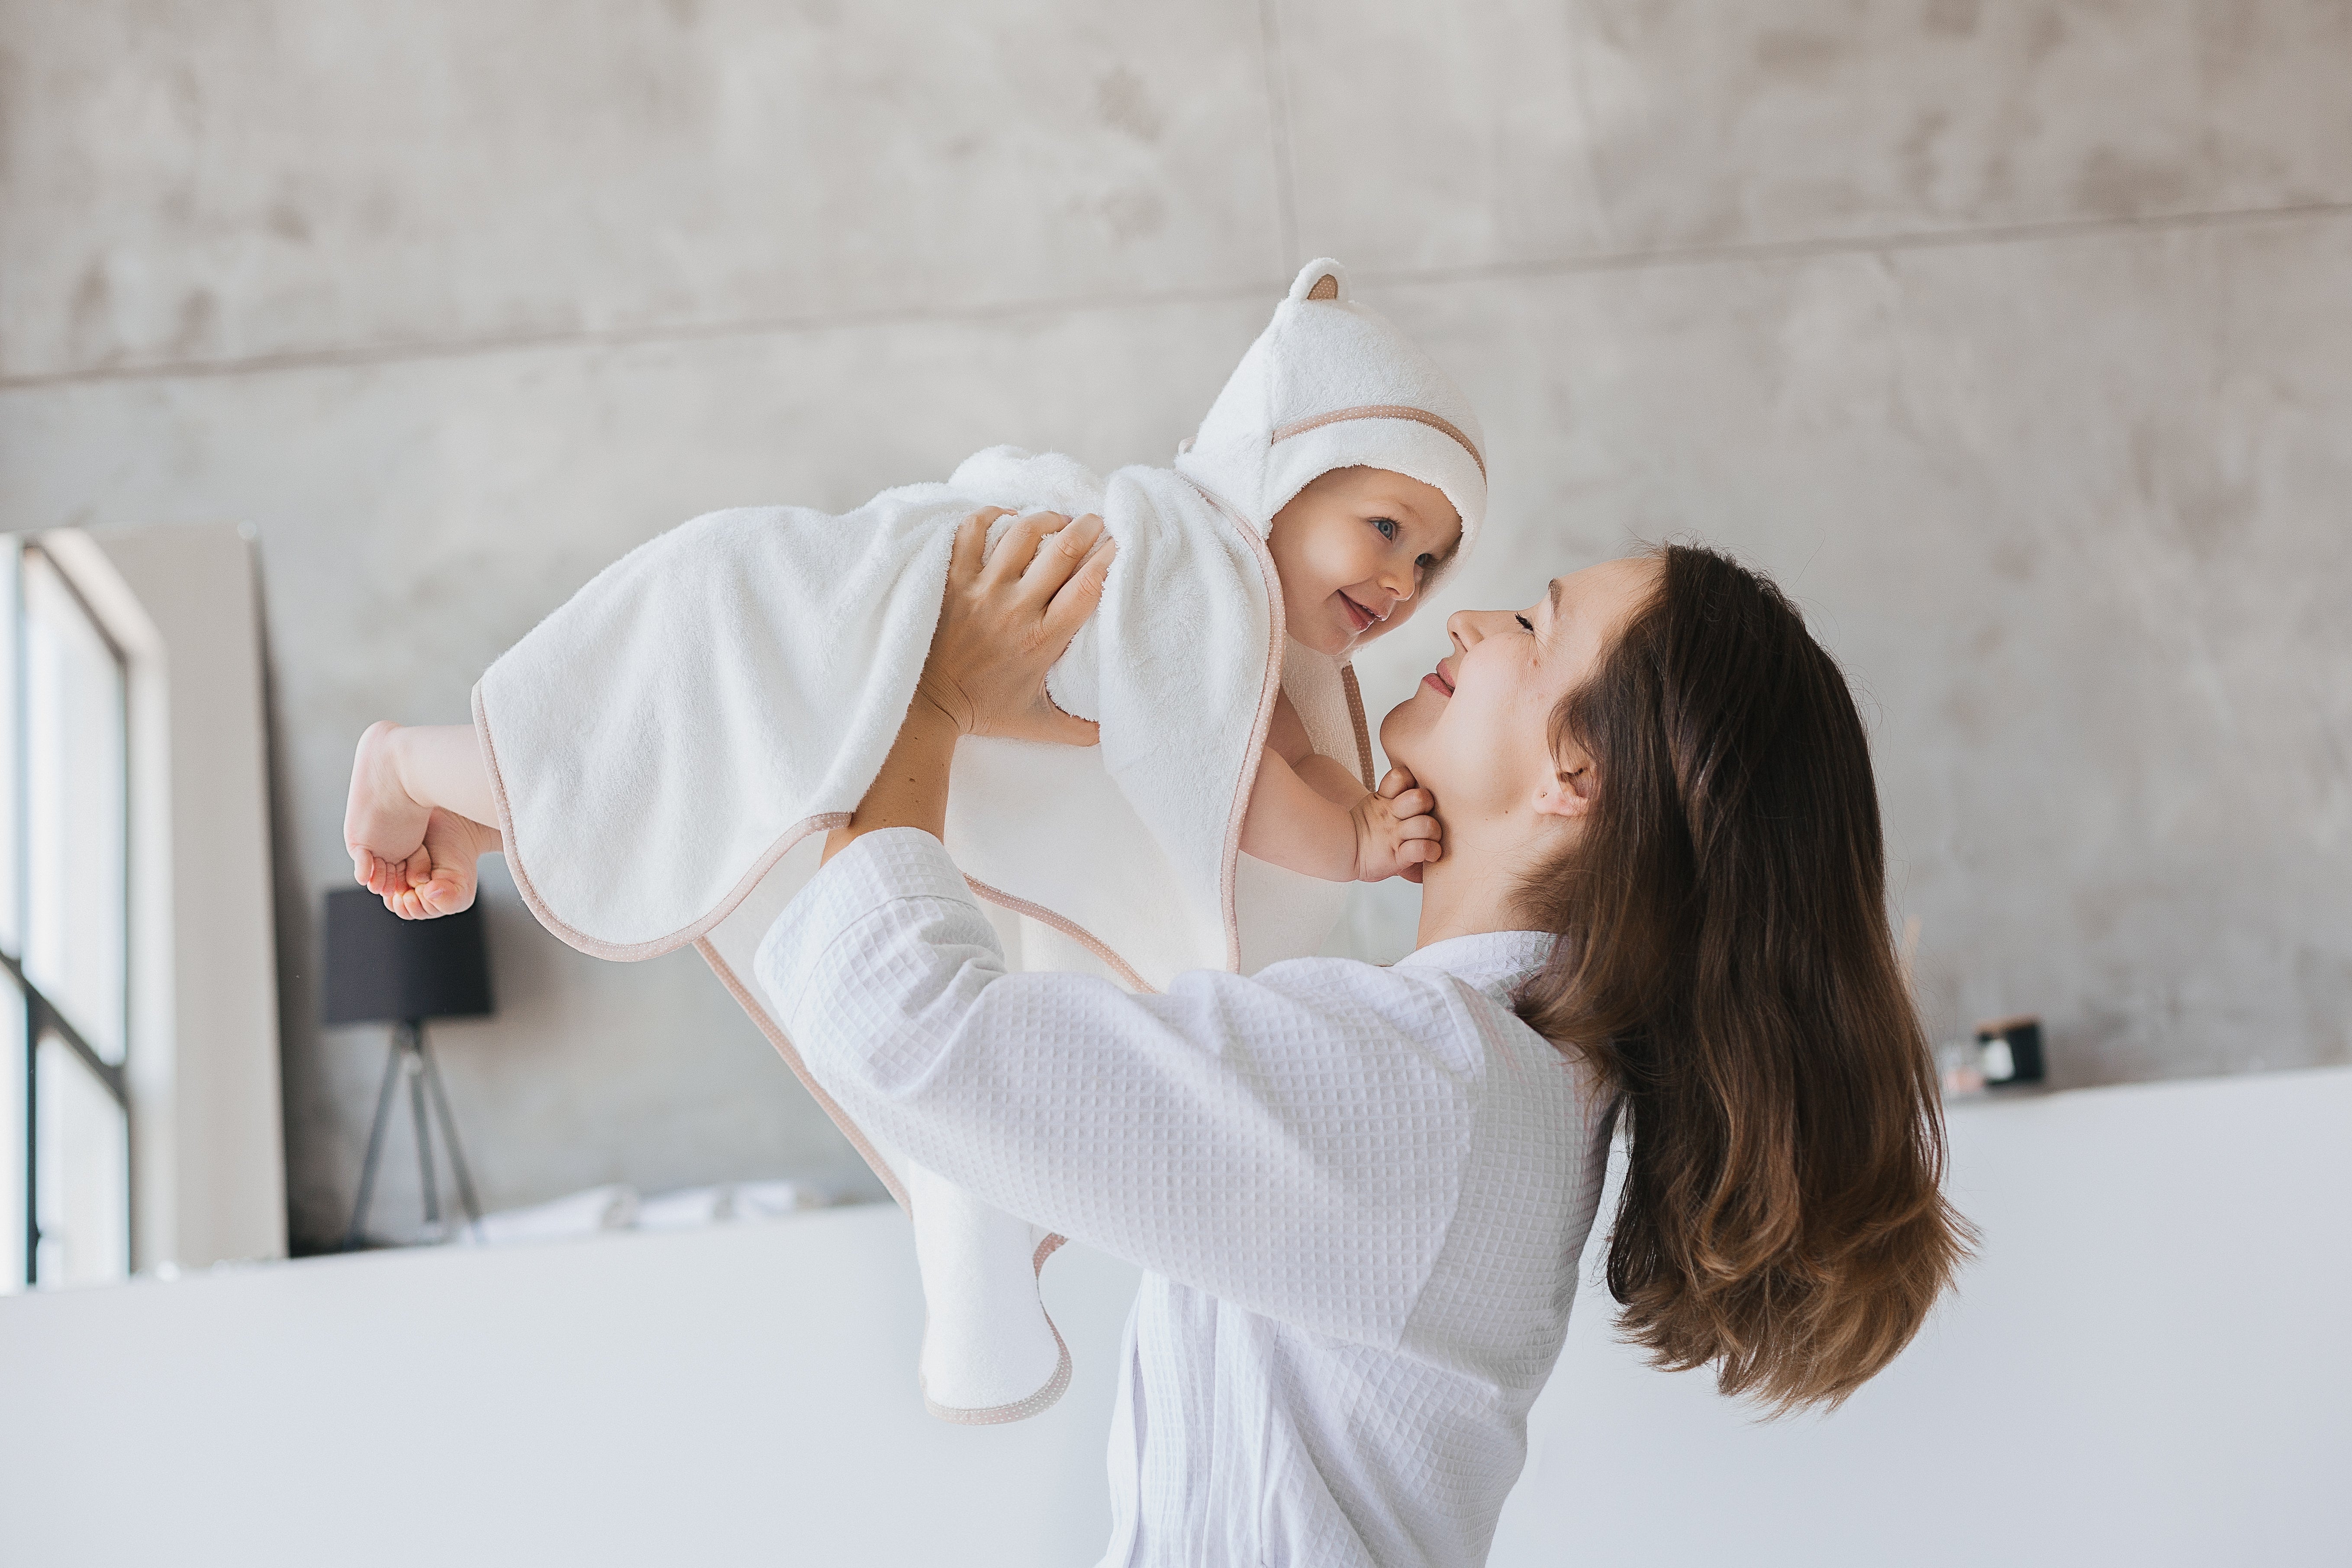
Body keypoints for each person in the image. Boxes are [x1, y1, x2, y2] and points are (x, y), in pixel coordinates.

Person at [338, 258, 1492, 1424]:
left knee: (709, 794)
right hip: (804, 610)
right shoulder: (1203, 582)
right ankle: (406, 763)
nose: (1402, 582)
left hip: (869, 677)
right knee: (667, 741)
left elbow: (1255, 763)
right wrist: (1350, 836)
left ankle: (479, 822)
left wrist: (1341, 807)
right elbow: (1247, 794)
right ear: (1280, 479)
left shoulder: (1246, 653)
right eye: (1384, 528)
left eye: (1431, 562)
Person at [753, 509, 1971, 1567]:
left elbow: (896, 1025)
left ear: (1577, 774)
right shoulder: (1493, 1080)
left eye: (1536, 630)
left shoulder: (1426, 1084)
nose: (1469, 622)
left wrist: (933, 703)